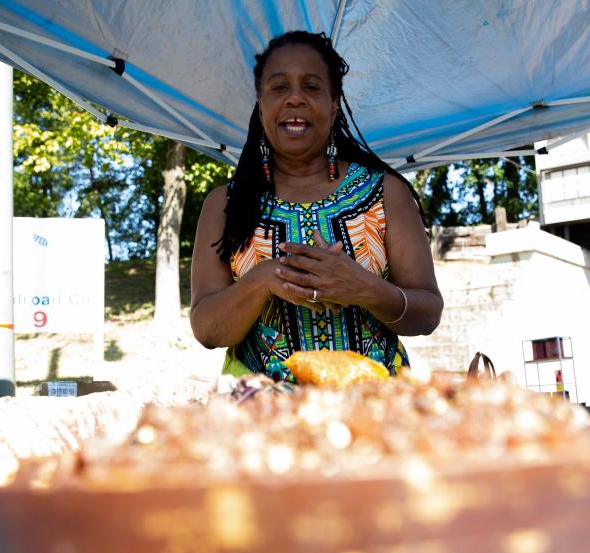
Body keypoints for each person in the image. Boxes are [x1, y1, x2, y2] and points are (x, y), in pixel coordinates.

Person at [190, 31, 443, 381]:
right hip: (261, 419)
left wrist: (364, 288)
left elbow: (428, 314)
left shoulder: (386, 192)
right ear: (260, 104)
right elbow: (207, 330)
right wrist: (265, 279)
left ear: (334, 103)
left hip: (374, 416)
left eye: (311, 87)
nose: (295, 98)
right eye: (279, 88)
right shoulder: (225, 204)